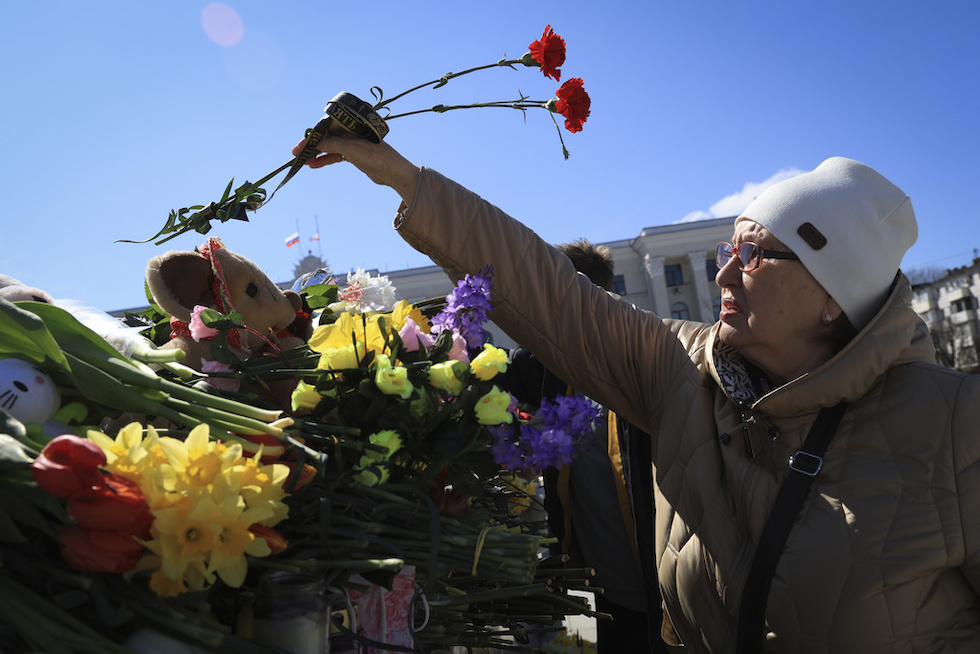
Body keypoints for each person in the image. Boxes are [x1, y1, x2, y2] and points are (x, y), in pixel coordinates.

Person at [294, 135, 980, 652]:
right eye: (726, 251)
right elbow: (551, 296)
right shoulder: (684, 371)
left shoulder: (955, 424)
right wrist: (404, 179)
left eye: (754, 255)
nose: (725, 275)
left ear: (834, 297)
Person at [499, 238, 666, 654]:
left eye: (544, 295)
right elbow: (488, 378)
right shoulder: (547, 363)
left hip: (658, 595)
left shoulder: (648, 359)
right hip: (586, 590)